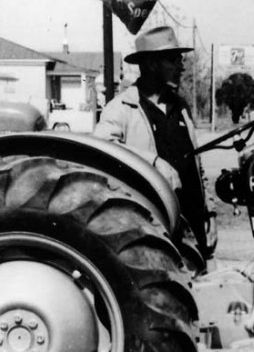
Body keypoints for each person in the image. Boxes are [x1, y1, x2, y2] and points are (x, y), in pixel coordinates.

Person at [93, 25, 217, 260]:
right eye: (173, 60)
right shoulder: (121, 109)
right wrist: (154, 163)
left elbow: (197, 167)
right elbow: (102, 150)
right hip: (153, 232)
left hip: (193, 232)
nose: (181, 67)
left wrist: (209, 214)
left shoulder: (181, 107)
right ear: (151, 64)